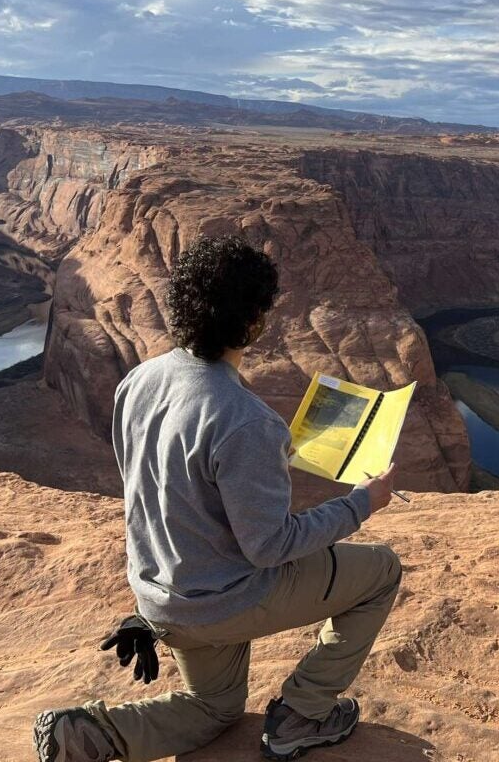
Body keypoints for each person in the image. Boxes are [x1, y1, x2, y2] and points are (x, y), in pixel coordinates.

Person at [33, 235, 402, 762]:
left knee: (215, 708)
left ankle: (85, 734)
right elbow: (269, 547)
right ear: (253, 323)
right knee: (382, 571)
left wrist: (153, 612)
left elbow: (157, 490)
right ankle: (303, 714)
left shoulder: (137, 381)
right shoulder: (244, 419)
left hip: (162, 595)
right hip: (223, 602)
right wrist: (362, 502)